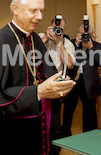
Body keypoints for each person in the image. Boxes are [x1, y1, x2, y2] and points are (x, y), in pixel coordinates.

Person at [0, 0, 76, 155]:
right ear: (15, 9)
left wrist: (58, 84)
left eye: (41, 11)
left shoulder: (36, 39)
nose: (39, 16)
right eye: (33, 11)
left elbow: (45, 76)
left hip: (37, 126)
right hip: (8, 132)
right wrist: (38, 92)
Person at [39, 16, 75, 155]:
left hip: (55, 87)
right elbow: (30, 54)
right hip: (38, 84)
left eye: (62, 29)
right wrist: (46, 38)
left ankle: (54, 151)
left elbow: (69, 64)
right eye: (56, 28)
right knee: (38, 120)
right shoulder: (41, 38)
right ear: (50, 27)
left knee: (54, 123)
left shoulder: (67, 44)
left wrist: (60, 44)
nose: (59, 31)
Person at [61, 25, 101, 137]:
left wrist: (90, 47)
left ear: (92, 35)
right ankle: (65, 133)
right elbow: (68, 60)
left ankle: (90, 135)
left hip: (89, 83)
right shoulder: (71, 44)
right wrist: (76, 44)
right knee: (68, 108)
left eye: (87, 34)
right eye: (82, 34)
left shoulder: (97, 46)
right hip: (73, 81)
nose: (85, 37)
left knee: (90, 110)